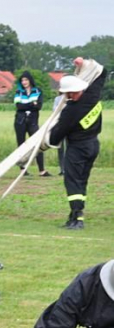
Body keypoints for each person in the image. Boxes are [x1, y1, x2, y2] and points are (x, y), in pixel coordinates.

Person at [46, 57, 106, 230]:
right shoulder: (92, 96)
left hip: (77, 149)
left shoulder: (71, 111)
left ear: (69, 93)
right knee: (82, 180)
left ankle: (77, 218)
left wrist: (47, 138)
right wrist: (83, 65)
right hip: (93, 145)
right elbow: (102, 74)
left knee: (72, 182)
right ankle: (76, 215)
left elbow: (55, 137)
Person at [13, 71, 50, 177]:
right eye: (22, 80)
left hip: (33, 121)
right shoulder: (18, 92)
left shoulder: (38, 91)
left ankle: (42, 170)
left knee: (37, 144)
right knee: (21, 145)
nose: (24, 82)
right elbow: (19, 107)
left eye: (26, 80)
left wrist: (28, 105)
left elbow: (38, 106)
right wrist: (31, 104)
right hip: (20, 121)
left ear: (30, 80)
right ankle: (23, 170)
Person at [52, 93, 66, 176]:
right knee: (60, 148)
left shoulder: (72, 97)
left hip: (70, 125)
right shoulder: (57, 99)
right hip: (60, 124)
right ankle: (62, 169)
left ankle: (70, 168)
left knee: (70, 148)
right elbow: (55, 110)